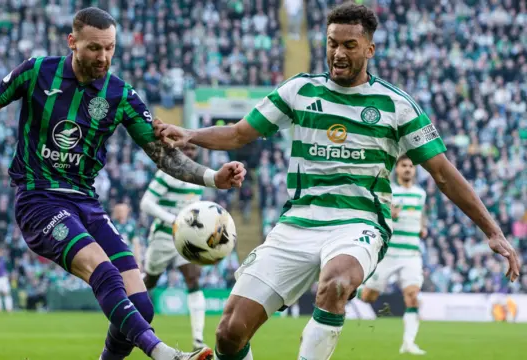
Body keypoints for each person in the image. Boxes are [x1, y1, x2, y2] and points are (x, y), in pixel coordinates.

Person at [153, 3, 520, 360]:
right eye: (332, 43)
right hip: (297, 223)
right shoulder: (299, 91)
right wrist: (189, 135)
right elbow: (237, 133)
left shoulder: (396, 105)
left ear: (370, 49)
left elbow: (443, 173)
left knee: (337, 284)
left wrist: (492, 231)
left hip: (358, 223)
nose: (338, 53)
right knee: (229, 334)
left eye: (349, 45)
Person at [0, 7, 247, 360]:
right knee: (105, 272)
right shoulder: (37, 72)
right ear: (72, 42)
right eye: (95, 48)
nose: (104, 57)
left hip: (86, 203)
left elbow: (162, 154)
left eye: (110, 48)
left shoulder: (120, 94)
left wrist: (211, 177)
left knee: (141, 305)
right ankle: (163, 353)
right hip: (39, 200)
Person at [357, 154, 427, 355]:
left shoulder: (420, 194)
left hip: (411, 253)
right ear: (397, 169)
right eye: (404, 165)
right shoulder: (390, 193)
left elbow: (421, 215)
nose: (408, 169)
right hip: (389, 254)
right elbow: (376, 216)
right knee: (370, 297)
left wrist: (422, 228)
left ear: (414, 170)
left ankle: (408, 342)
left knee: (412, 296)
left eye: (411, 166)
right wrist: (389, 215)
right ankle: (357, 290)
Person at [140, 143, 207, 351]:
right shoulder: (166, 173)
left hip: (185, 236)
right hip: (162, 235)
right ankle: (123, 318)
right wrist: (173, 219)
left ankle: (198, 339)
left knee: (193, 279)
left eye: (192, 149)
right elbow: (146, 203)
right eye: (185, 149)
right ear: (176, 150)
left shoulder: (199, 179)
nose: (189, 152)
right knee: (149, 281)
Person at [0, 247, 14, 313]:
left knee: (6, 293)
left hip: (3, 278)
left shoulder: (5, 260)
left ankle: (9, 308)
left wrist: (8, 274)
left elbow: (10, 268)